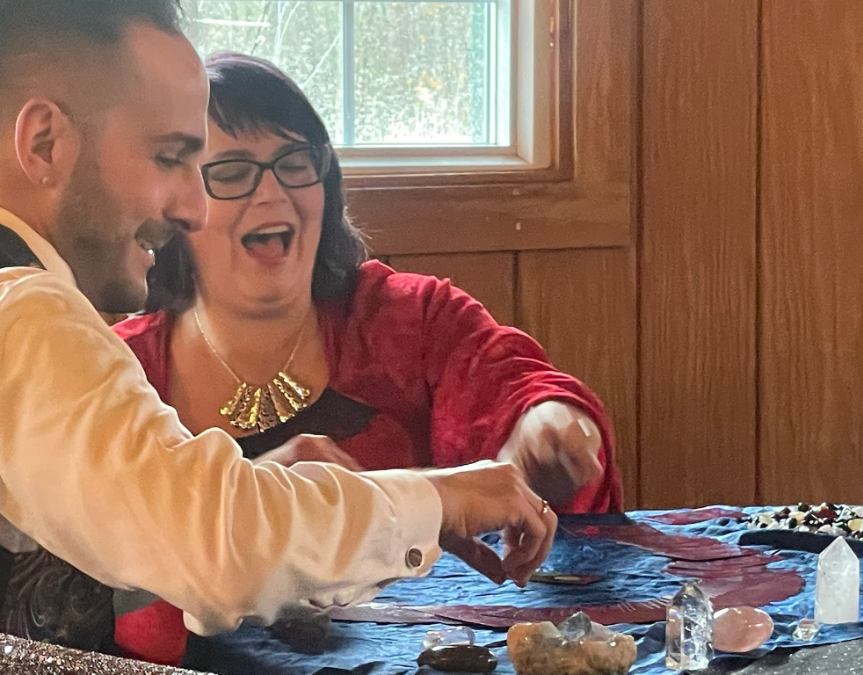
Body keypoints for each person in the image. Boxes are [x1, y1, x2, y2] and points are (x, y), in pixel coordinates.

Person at [0, 0, 557, 658]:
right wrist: (439, 498)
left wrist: (273, 495)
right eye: (169, 157)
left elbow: (166, 543)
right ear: (44, 144)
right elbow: (216, 545)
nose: (191, 206)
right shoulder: (25, 313)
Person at [112, 52, 623, 665]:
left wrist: (547, 424)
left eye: (296, 163)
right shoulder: (118, 372)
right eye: (232, 172)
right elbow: (109, 584)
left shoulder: (411, 317)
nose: (273, 190)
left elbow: (515, 383)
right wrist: (265, 501)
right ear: (178, 205)